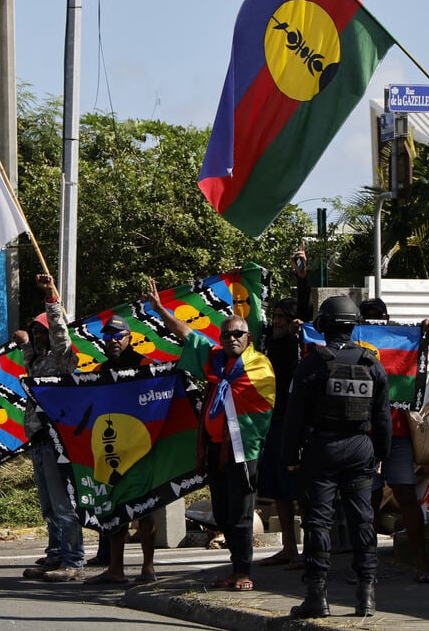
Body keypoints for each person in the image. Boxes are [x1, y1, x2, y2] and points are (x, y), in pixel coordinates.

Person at [147, 277, 275, 593]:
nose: (232, 338)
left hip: (243, 451)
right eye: (226, 334)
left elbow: (264, 407)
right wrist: (161, 310)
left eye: (238, 334)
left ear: (248, 337)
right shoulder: (215, 362)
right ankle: (234, 567)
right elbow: (186, 333)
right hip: (216, 448)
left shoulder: (258, 366)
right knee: (222, 512)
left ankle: (244, 570)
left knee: (242, 514)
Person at [283, 295, 392, 619]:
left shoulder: (312, 363)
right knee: (363, 520)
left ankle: (317, 597)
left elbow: (294, 417)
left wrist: (290, 455)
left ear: (324, 326)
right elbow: (383, 418)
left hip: (323, 450)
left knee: (318, 522)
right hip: (361, 449)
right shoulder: (372, 364)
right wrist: (379, 457)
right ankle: (366, 596)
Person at [359, 297, 429, 584]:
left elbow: (415, 357)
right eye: (366, 317)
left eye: (377, 317)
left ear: (386, 317)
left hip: (397, 434)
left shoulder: (398, 343)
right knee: (368, 500)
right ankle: (366, 568)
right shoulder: (352, 346)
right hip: (363, 436)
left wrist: (425, 334)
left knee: (406, 495)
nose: (372, 321)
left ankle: (421, 561)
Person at [17, 273, 84, 582]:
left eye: (39, 330)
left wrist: (51, 298)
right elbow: (28, 358)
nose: (36, 335)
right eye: (34, 331)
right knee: (48, 504)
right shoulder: (37, 362)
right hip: (39, 439)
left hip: (59, 438)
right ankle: (55, 553)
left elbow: (60, 333)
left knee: (63, 502)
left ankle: (73, 559)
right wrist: (25, 343)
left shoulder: (62, 359)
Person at [84, 315, 158, 586]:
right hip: (109, 449)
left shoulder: (145, 364)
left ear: (130, 338)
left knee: (146, 508)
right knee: (114, 509)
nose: (113, 341)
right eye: (108, 337)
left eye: (118, 336)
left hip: (141, 448)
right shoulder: (98, 370)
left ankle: (148, 568)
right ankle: (116, 569)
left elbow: (157, 401)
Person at [257, 246, 314, 570]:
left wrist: (301, 277)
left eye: (283, 317)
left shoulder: (299, 343)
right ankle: (289, 548)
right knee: (278, 487)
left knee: (299, 487)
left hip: (297, 422)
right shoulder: (269, 342)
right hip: (272, 422)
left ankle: (308, 550)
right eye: (275, 316)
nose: (277, 321)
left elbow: (305, 311)